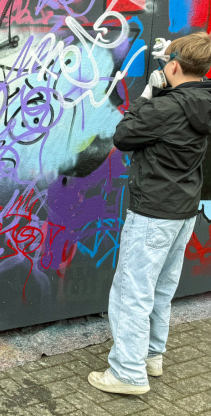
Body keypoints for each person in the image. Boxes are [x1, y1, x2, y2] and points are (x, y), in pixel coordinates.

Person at [89, 32, 211, 395]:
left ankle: (128, 372)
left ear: (173, 66)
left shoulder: (165, 108)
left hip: (154, 211)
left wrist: (147, 95)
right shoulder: (204, 100)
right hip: (184, 211)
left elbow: (124, 135)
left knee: (133, 291)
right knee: (161, 288)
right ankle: (151, 356)